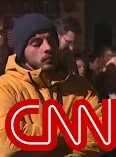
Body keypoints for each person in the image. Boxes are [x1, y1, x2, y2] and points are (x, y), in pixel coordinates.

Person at [0, 13, 104, 156]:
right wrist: (69, 130)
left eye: (52, 40)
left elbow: (97, 137)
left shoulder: (82, 88)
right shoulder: (5, 88)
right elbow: (7, 143)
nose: (47, 47)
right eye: (37, 43)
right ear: (21, 52)